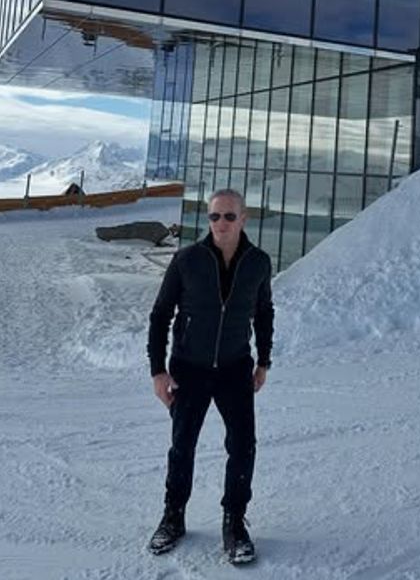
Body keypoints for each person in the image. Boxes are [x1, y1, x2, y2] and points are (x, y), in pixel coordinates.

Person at [147, 189, 274, 565]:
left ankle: (234, 522)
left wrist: (263, 362)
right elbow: (160, 315)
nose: (221, 224)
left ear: (243, 219)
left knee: (243, 445)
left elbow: (264, 313)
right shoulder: (187, 260)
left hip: (235, 368)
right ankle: (174, 516)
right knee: (182, 445)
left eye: (229, 217)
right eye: (215, 216)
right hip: (190, 368)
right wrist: (158, 371)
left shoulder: (258, 262)